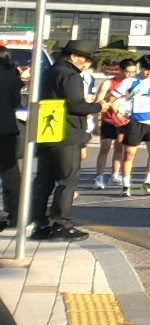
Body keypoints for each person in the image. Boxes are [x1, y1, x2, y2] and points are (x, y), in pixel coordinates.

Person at [31, 40, 101, 240]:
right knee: (67, 180)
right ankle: (61, 224)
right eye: (86, 60)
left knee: (43, 181)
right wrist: (97, 107)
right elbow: (76, 106)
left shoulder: (47, 73)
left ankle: (40, 224)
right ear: (74, 57)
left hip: (46, 132)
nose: (87, 64)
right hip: (67, 133)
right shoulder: (70, 76)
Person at [118, 55, 150, 196]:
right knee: (129, 154)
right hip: (134, 122)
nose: (149, 72)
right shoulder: (129, 82)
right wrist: (118, 113)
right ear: (140, 67)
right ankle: (126, 186)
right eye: (146, 69)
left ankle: (147, 183)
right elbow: (113, 97)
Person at [91, 56, 137, 190]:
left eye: (133, 72)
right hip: (109, 120)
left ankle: (115, 175)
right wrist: (96, 123)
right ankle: (99, 177)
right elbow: (98, 102)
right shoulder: (109, 83)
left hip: (124, 122)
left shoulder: (134, 83)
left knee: (120, 148)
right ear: (120, 70)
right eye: (128, 72)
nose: (131, 75)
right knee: (104, 148)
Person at [0, 47, 22, 234]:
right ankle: (14, 216)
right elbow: (16, 102)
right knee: (11, 173)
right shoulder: (12, 77)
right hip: (7, 129)